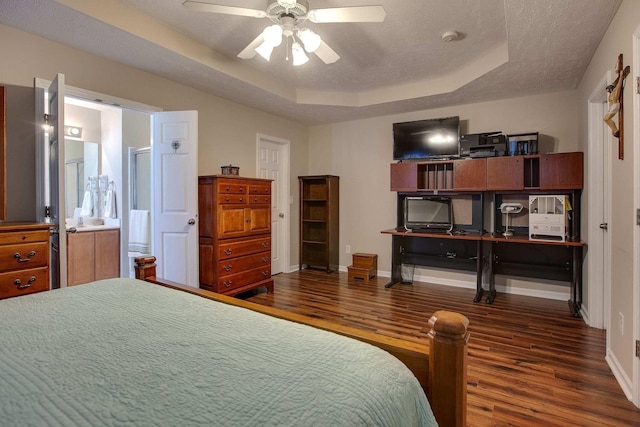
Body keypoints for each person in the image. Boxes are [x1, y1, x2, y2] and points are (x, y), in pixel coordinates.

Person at [604, 60, 630, 138]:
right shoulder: (612, 94)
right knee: (605, 119)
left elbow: (618, 87)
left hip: (615, 105)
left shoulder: (615, 92)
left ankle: (615, 130)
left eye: (609, 89)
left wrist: (621, 76)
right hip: (613, 106)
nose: (608, 91)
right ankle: (614, 130)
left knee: (605, 119)